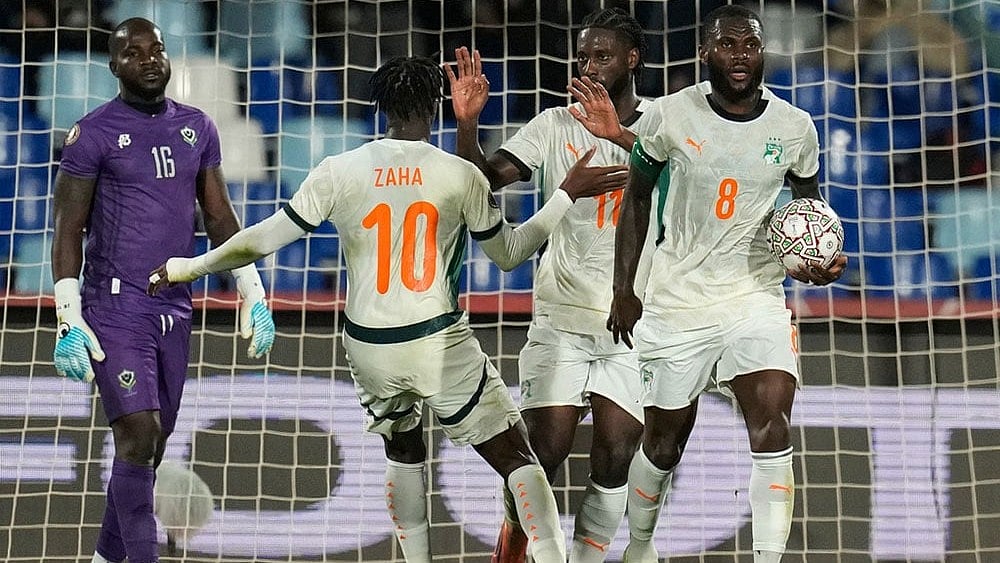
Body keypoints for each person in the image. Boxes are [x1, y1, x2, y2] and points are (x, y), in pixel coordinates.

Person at [147, 55, 629, 562]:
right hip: (435, 341)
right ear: (435, 106)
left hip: (369, 347)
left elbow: (261, 239)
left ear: (380, 109)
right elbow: (508, 256)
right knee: (520, 461)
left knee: (403, 454)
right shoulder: (459, 174)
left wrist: (186, 268)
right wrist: (563, 197)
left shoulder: (339, 170)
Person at [602, 5, 848, 562]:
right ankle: (640, 545)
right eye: (728, 44)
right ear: (705, 51)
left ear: (763, 52)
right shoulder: (669, 116)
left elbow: (808, 210)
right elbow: (637, 196)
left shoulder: (794, 127)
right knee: (663, 444)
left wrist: (820, 259)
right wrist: (625, 287)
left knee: (773, 423)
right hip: (678, 299)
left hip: (754, 295)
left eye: (750, 45)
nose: (740, 56)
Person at [50, 18, 275, 563]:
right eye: (134, 53)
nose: (149, 59)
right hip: (113, 304)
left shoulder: (198, 126)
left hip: (175, 305)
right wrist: (67, 314)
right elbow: (68, 230)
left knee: (150, 448)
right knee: (139, 436)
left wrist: (252, 288)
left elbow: (220, 218)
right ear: (114, 65)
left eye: (157, 50)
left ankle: (106, 556)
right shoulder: (93, 133)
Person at [445, 7, 663, 562]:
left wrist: (623, 135)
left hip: (634, 322)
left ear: (632, 60)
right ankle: (511, 554)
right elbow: (479, 181)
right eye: (583, 55)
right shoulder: (553, 125)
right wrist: (468, 124)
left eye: (603, 56)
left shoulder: (664, 124)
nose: (589, 66)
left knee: (616, 456)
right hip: (562, 317)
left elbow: (695, 181)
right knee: (543, 454)